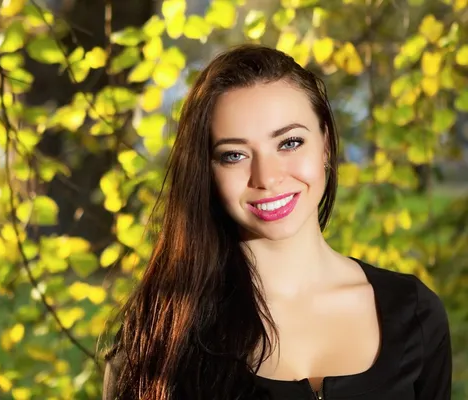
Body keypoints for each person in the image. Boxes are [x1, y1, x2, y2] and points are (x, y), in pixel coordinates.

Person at [101, 44, 452, 400]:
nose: (266, 178)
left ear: (325, 145)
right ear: (207, 170)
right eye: (234, 155)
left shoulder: (415, 313)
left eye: (290, 142)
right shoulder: (161, 335)